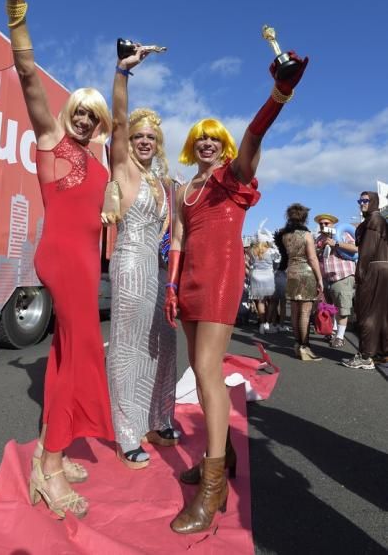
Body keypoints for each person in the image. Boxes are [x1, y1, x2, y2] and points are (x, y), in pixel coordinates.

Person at [165, 51, 308, 534]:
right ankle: (220, 461)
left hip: (223, 277)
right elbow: (180, 239)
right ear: (192, 144)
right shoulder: (185, 189)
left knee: (207, 371)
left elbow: (254, 137)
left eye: (214, 138)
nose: (207, 142)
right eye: (200, 138)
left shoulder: (233, 176)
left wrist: (278, 95)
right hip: (188, 281)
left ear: (222, 145)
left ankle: (212, 486)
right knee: (202, 375)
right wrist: (171, 284)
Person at [0, 0, 114, 518]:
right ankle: (47, 470)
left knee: (68, 354)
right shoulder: (51, 138)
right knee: (79, 352)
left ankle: (52, 445)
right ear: (68, 111)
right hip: (61, 258)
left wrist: (123, 75)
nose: (87, 121)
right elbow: (26, 75)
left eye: (95, 117)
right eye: (81, 112)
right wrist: (17, 9)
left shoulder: (97, 162)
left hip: (87, 262)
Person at [106, 48, 178, 469]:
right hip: (131, 264)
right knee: (128, 349)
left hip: (156, 268)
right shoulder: (125, 169)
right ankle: (127, 432)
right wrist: (122, 73)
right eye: (138, 136)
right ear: (130, 142)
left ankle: (157, 418)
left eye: (151, 136)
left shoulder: (161, 180)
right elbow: (117, 119)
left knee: (163, 345)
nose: (145, 141)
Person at [342, 192, 388, 370]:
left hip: (373, 270)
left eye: (365, 200)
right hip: (384, 270)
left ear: (373, 202)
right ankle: (382, 352)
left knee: (366, 312)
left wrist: (360, 274)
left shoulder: (372, 222)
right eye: (360, 200)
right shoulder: (380, 221)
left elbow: (366, 252)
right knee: (383, 314)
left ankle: (365, 356)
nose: (362, 203)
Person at [281, 204, 323, 361]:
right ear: (304, 218)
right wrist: (319, 279)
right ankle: (305, 347)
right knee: (305, 312)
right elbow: (312, 258)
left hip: (291, 273)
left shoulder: (285, 236)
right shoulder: (306, 235)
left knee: (294, 311)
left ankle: (298, 345)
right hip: (306, 274)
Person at [314, 213, 357, 348]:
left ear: (332, 224)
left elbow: (356, 249)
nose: (323, 226)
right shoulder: (319, 239)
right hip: (327, 278)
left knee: (343, 308)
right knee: (331, 308)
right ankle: (333, 331)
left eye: (326, 223)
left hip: (342, 275)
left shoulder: (342, 234)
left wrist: (336, 243)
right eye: (321, 224)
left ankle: (340, 337)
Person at [248, 228, 279, 334]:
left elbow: (251, 262)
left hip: (256, 277)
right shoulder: (271, 251)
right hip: (268, 276)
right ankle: (268, 324)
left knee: (260, 301)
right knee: (273, 301)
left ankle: (262, 324)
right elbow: (278, 261)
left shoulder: (252, 251)